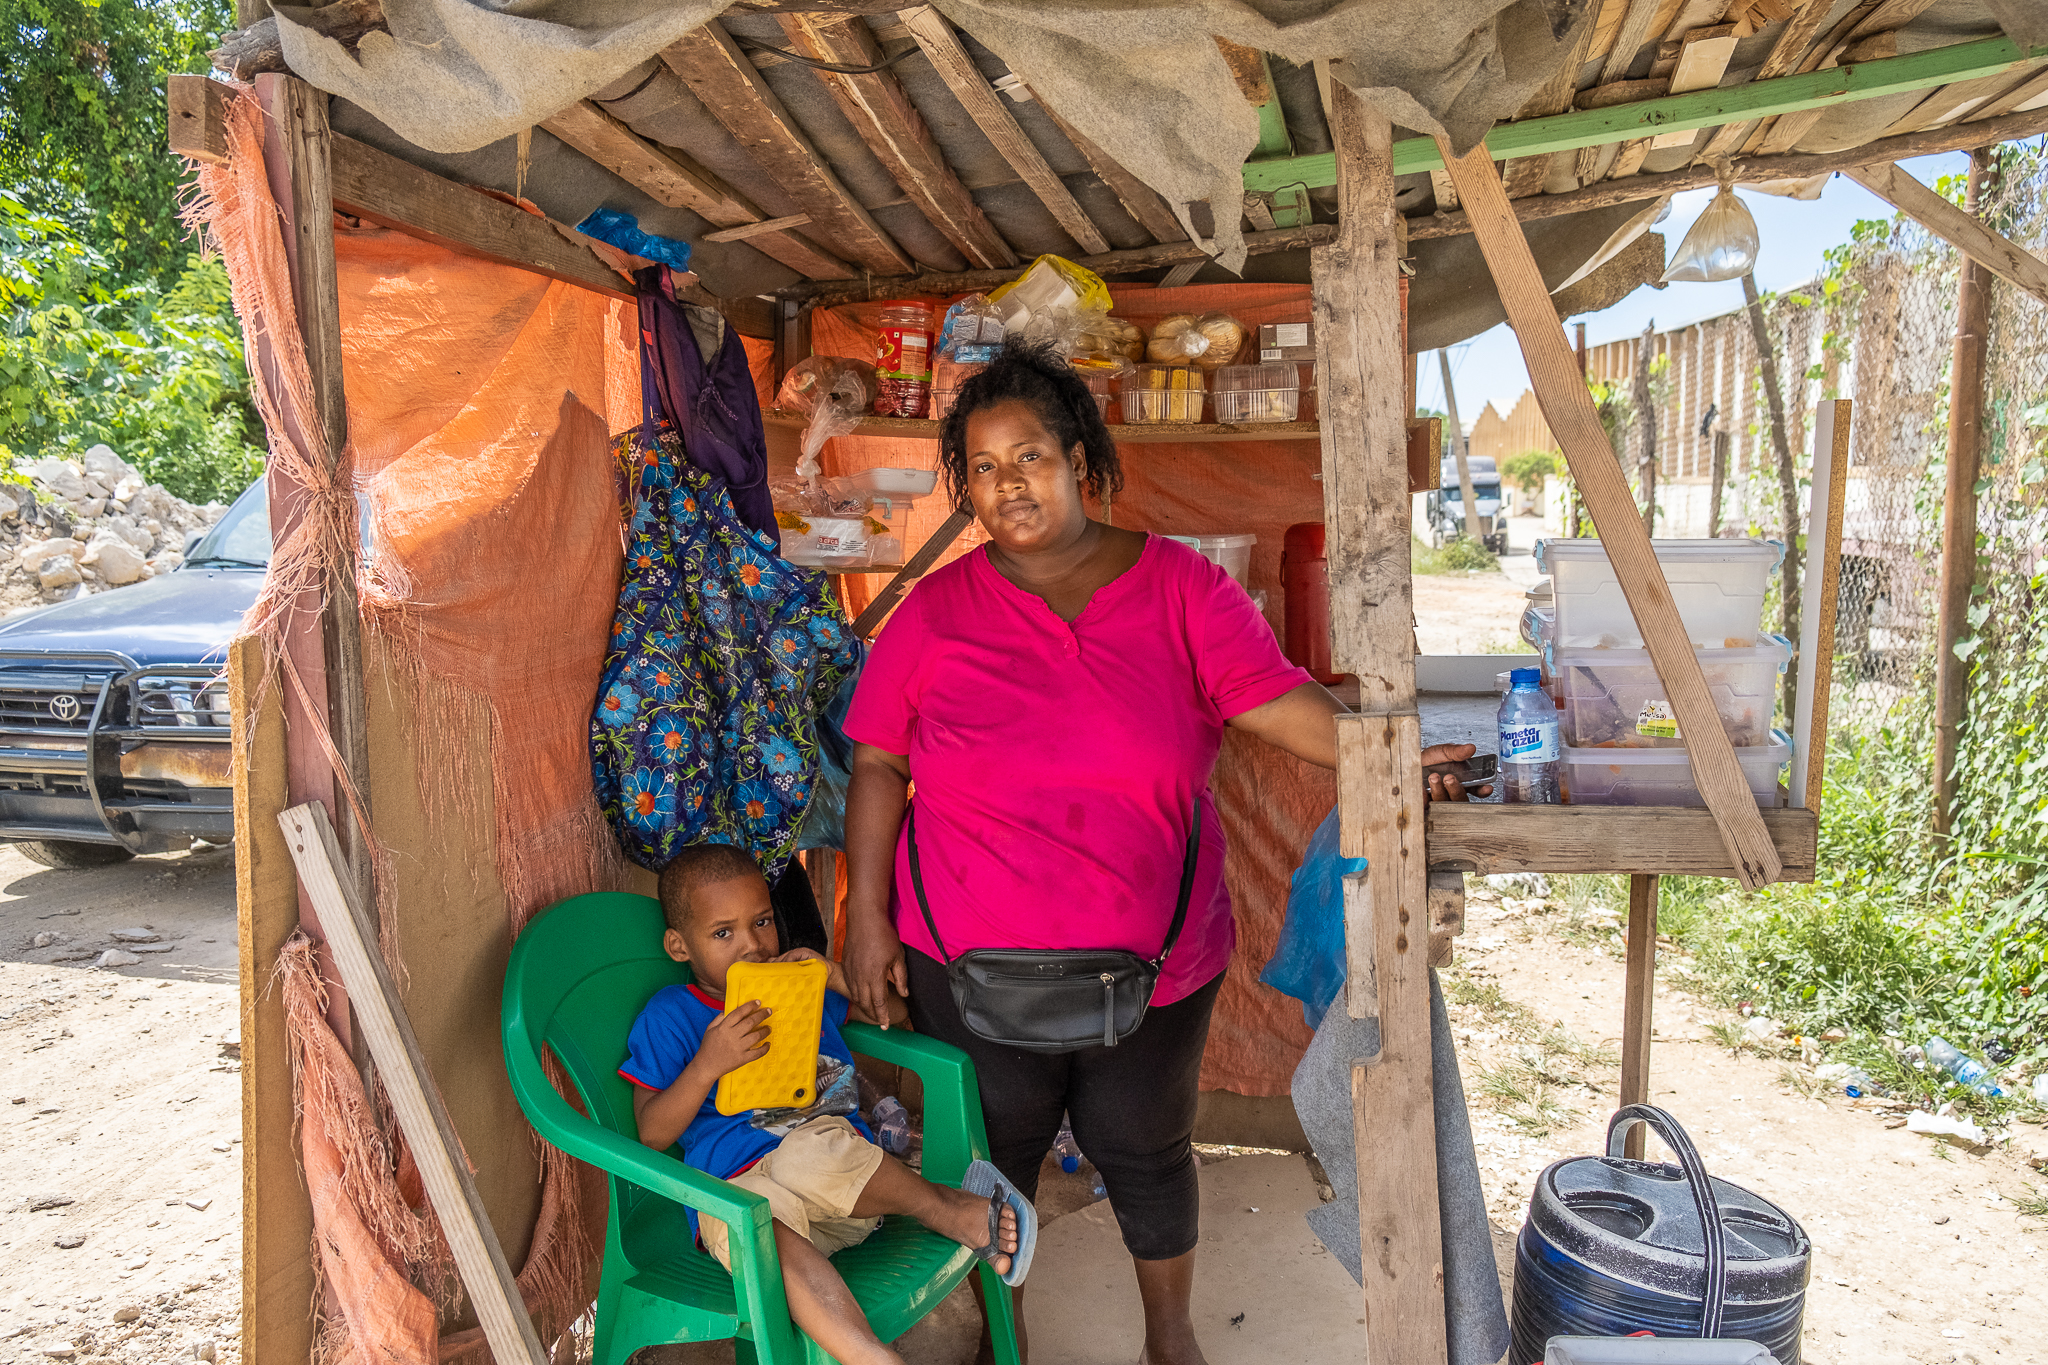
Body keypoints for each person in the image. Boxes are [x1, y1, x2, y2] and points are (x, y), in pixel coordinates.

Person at [839, 342, 1485, 1365]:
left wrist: (1386, 759)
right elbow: (875, 763)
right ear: (963, 487)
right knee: (992, 1150)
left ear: (1079, 461)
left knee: (1143, 1147)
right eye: (984, 467)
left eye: (1031, 457)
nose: (1010, 484)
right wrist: (863, 917)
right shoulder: (933, 615)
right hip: (961, 953)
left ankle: (1169, 1339)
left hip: (1158, 956)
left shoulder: (1180, 588)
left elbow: (1278, 704)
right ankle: (1001, 1335)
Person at [623, 843, 1033, 1365]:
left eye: (763, 921)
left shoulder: (802, 989)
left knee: (803, 1154)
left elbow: (899, 1010)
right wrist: (707, 1064)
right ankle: (871, 1357)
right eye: (723, 933)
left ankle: (942, 1206)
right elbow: (652, 1133)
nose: (752, 946)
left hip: (846, 1189)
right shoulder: (672, 1016)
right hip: (741, 1190)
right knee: (743, 1223)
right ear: (679, 947)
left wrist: (832, 975)